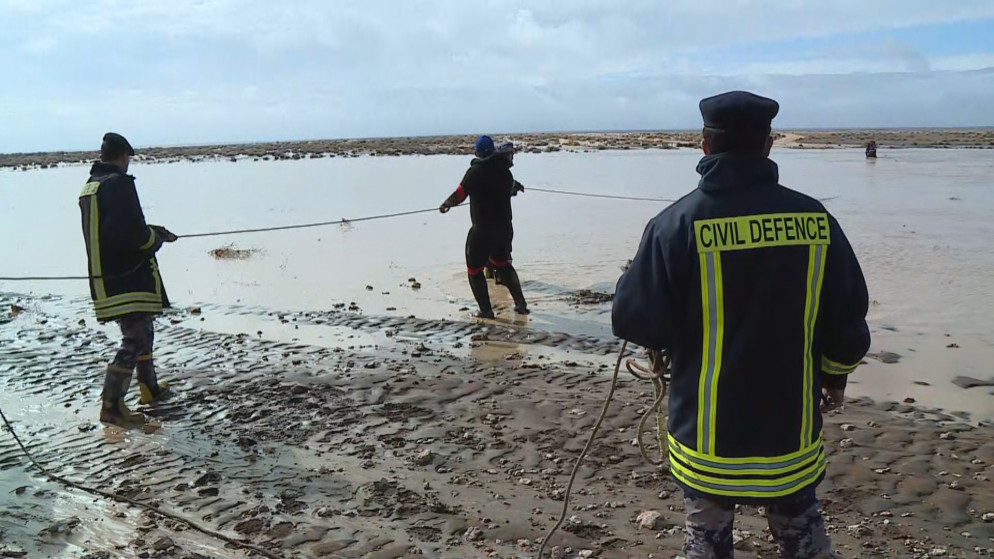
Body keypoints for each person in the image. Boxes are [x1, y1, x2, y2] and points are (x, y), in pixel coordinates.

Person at [612, 91, 870, 559]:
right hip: (789, 443)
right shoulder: (816, 220)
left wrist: (635, 281)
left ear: (704, 146)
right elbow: (848, 320)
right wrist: (834, 377)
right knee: (804, 539)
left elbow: (636, 320)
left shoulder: (674, 225)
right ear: (768, 146)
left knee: (705, 544)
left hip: (706, 447)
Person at [79, 132, 177, 426]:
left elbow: (114, 229)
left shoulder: (90, 187)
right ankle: (112, 405)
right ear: (123, 157)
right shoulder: (119, 184)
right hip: (126, 277)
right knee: (134, 338)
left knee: (143, 329)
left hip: (105, 276)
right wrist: (155, 240)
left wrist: (151, 232)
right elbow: (132, 234)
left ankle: (149, 387)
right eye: (128, 159)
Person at [440, 135, 528, 318]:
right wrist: (516, 187)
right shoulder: (505, 172)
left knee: (474, 270)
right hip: (504, 230)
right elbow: (511, 188)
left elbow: (460, 193)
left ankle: (486, 311)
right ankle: (520, 304)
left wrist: (447, 204)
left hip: (482, 231)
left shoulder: (475, 171)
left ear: (477, 153)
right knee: (503, 265)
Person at [484, 141, 525, 284]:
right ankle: (501, 281)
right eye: (510, 154)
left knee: (489, 250)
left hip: (485, 220)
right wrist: (514, 188)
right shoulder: (503, 172)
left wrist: (515, 186)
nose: (512, 157)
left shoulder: (490, 168)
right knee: (503, 251)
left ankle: (491, 279)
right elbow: (503, 189)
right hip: (501, 221)